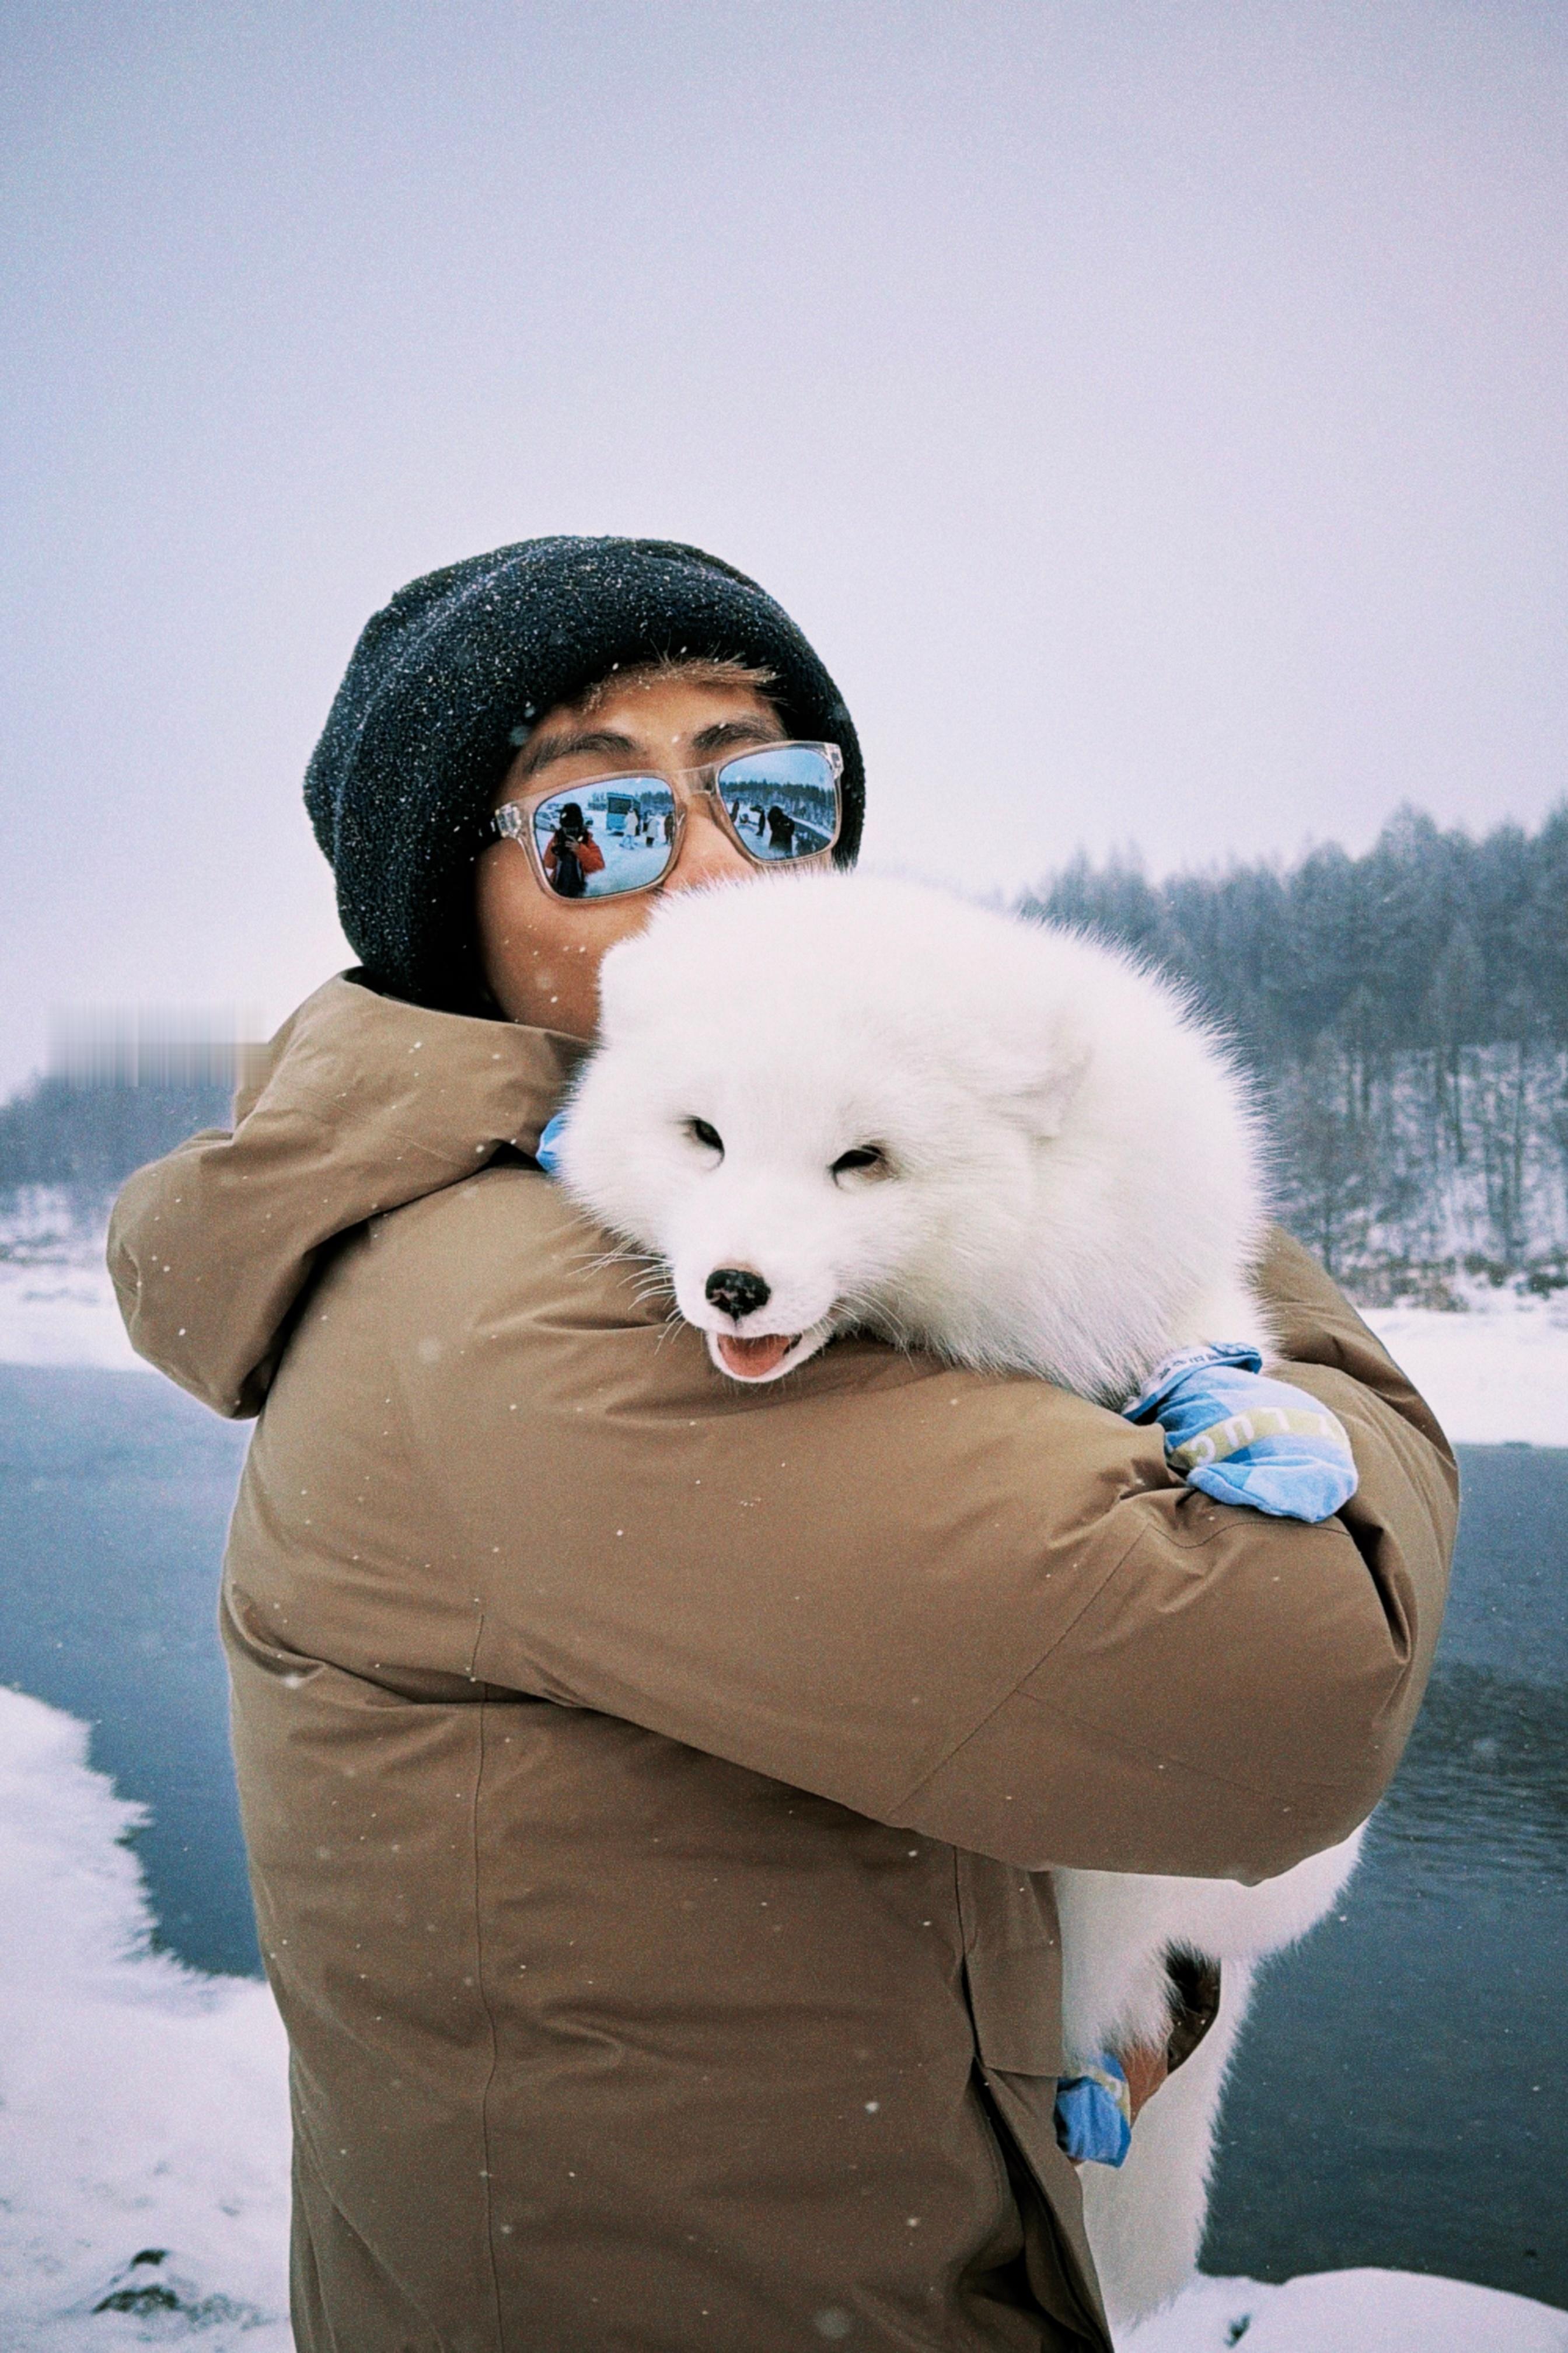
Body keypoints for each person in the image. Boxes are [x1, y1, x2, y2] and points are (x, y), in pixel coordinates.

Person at [109, 535, 1457, 2353]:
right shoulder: (545, 1302)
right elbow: (1295, 1691)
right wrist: (1154, 1230)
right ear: (448, 898)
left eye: (770, 794)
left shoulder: (645, 1210)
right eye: (601, 827)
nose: (720, 877)